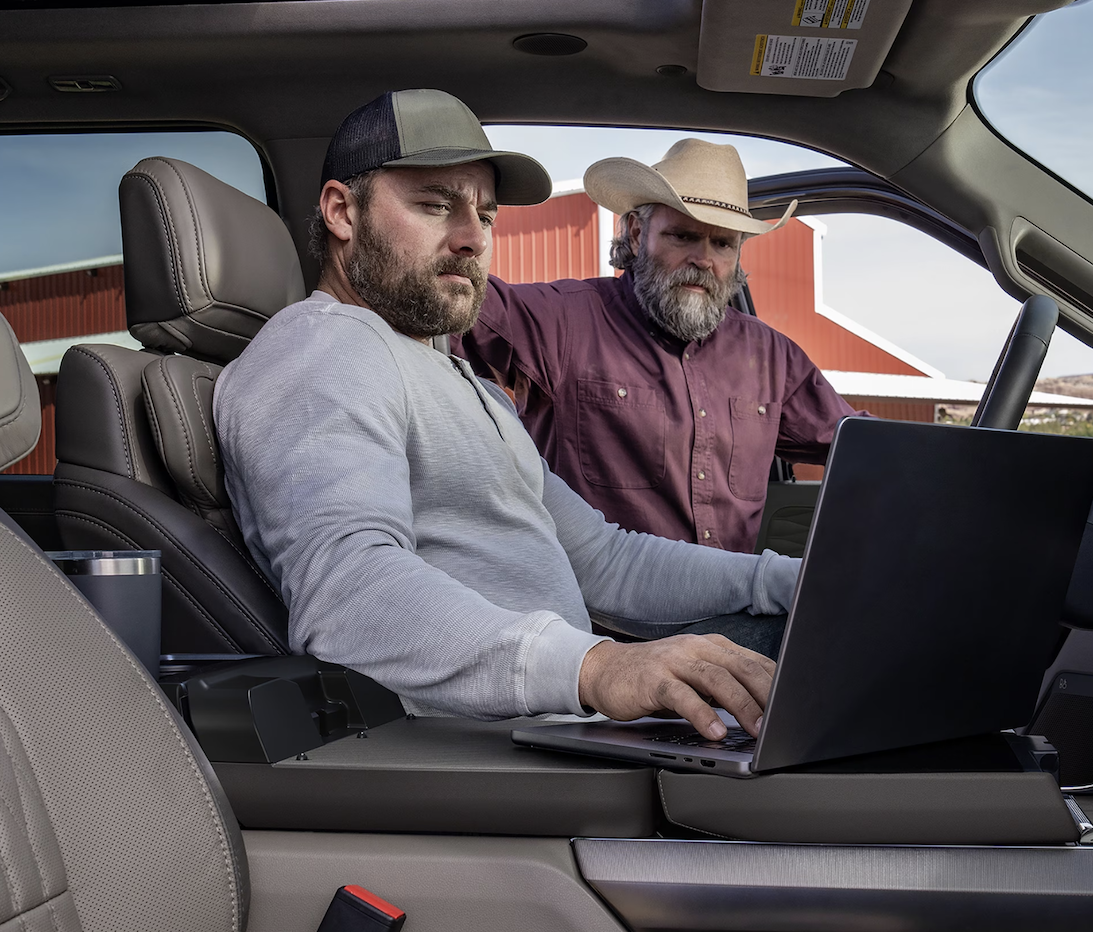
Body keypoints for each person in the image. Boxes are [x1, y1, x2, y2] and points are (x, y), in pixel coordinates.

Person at [216, 90, 794, 741]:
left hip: (560, 728)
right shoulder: (323, 350)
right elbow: (348, 595)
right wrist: (597, 668)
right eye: (435, 205)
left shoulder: (462, 381)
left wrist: (789, 580)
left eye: (485, 215)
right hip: (483, 764)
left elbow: (607, 561)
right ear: (342, 212)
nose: (471, 239)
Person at [458, 139, 862, 553]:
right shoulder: (562, 321)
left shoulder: (773, 358)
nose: (703, 259)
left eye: (723, 243)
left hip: (732, 607)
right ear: (636, 233)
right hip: (596, 614)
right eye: (683, 236)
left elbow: (864, 448)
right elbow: (450, 304)